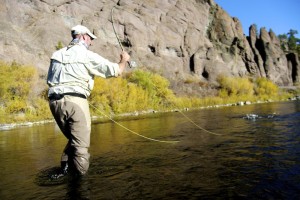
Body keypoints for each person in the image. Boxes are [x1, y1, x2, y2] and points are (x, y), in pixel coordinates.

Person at [47, 24, 130, 177]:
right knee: (81, 147)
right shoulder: (86, 55)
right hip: (76, 103)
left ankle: (64, 171)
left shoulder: (56, 54)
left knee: (74, 139)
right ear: (84, 36)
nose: (91, 42)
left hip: (54, 103)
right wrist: (124, 60)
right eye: (91, 39)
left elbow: (50, 80)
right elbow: (116, 71)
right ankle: (80, 185)